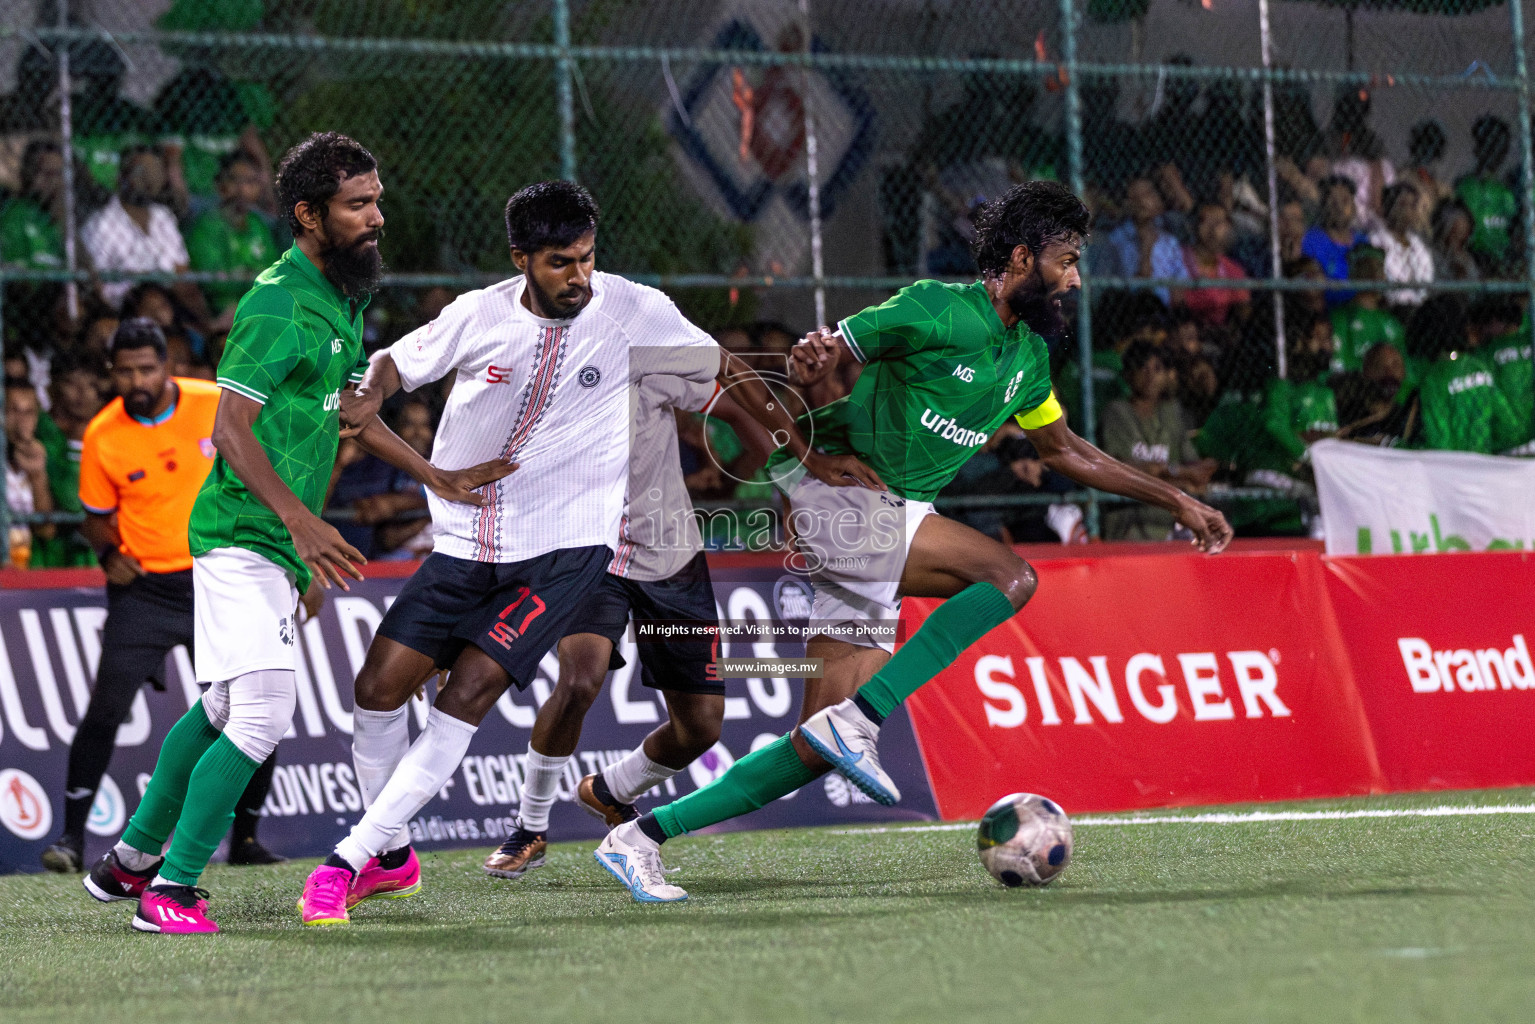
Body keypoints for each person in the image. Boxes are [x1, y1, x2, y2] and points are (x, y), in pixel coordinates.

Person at [591, 181, 1233, 903]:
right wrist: (811, 356)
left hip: (891, 518)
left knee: (811, 748)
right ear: (1021, 257)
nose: (1075, 278)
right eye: (1065, 261)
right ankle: (863, 721)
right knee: (1009, 577)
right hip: (845, 498)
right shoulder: (935, 307)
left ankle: (637, 837)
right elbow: (832, 346)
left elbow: (1063, 451)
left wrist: (1175, 497)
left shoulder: (1025, 356)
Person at [295, 180, 874, 925]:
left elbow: (728, 374)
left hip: (590, 551)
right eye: (562, 263)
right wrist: (371, 390)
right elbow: (392, 364)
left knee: (508, 699)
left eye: (587, 259)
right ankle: (404, 850)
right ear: (522, 260)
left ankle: (356, 858)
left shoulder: (638, 312)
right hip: (474, 544)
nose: (580, 276)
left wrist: (806, 464)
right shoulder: (479, 316)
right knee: (384, 690)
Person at [80, 132, 502, 936]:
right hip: (245, 530)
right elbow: (232, 431)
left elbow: (353, 414)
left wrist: (434, 475)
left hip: (271, 539)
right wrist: (302, 522)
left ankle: (131, 860)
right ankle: (172, 889)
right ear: (309, 215)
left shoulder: (342, 292)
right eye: (358, 204)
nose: (377, 216)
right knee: (264, 715)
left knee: (221, 707)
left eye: (377, 199)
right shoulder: (277, 301)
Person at [482, 361, 774, 880]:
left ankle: (610, 790)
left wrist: (782, 477)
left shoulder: (650, 367)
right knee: (578, 680)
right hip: (592, 557)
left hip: (671, 559)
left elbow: (730, 406)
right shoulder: (543, 379)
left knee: (700, 728)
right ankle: (529, 828)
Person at [38, 320, 283, 873]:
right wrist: (107, 556)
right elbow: (95, 519)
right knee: (104, 711)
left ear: (165, 363)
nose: (136, 379)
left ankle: (245, 839)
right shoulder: (103, 434)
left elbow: (262, 471)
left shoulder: (211, 403)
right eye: (124, 370)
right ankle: (71, 840)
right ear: (111, 373)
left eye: (146, 367)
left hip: (217, 582)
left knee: (252, 706)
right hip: (145, 591)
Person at [1099, 341, 1216, 541]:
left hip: (1167, 523)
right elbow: (1121, 470)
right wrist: (1176, 474)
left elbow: (1196, 469)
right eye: (1142, 368)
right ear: (1128, 375)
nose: (1150, 375)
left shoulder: (1170, 414)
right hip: (1129, 524)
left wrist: (1182, 473)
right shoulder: (1117, 413)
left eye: (1157, 369)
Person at [79, 146, 210, 324]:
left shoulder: (163, 217)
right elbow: (98, 290)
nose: (149, 177)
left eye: (155, 171)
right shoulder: (101, 224)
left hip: (169, 306)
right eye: (141, 171)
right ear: (121, 177)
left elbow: (182, 275)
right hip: (122, 312)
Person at [1413, 296, 1523, 454]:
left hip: (1454, 471)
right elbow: (1509, 429)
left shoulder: (1433, 378)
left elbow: (1438, 440)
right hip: (1484, 462)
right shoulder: (1478, 367)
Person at [186, 151, 279, 326]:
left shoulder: (258, 225)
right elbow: (214, 283)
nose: (243, 189)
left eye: (251, 182)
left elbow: (275, 272)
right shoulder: (207, 226)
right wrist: (253, 275)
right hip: (222, 311)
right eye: (235, 180)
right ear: (220, 184)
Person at [33, 350, 106, 568]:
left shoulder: (109, 431)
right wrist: (77, 444)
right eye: (72, 384)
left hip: (99, 552)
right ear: (52, 387)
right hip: (49, 553)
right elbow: (73, 503)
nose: (82, 394)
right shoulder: (40, 433)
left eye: (90, 385)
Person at [1263, 311, 1340, 470]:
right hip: (1291, 471)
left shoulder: (1326, 388)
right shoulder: (1282, 387)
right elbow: (1274, 424)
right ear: (1300, 342)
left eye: (1327, 339)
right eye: (1317, 338)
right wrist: (1307, 455)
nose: (1325, 346)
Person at [1100, 175, 1188, 306]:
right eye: (1137, 196)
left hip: (1166, 312)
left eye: (1150, 193)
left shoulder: (1169, 240)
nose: (1143, 201)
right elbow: (1134, 286)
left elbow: (1180, 284)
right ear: (1128, 203)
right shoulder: (1117, 240)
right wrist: (1146, 250)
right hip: (1132, 308)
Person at [1455, 116, 1516, 277]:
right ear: (1479, 147)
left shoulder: (1506, 190)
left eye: (1501, 147)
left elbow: (1512, 226)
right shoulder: (1465, 186)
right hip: (1473, 254)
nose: (1496, 153)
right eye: (1490, 145)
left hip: (1501, 258)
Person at [1329, 246, 1406, 374]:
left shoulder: (1392, 323)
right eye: (1367, 267)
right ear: (1354, 274)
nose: (1375, 273)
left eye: (1379, 267)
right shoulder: (1340, 319)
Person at [4, 377, 55, 568]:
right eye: (13, 411)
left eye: (29, 412)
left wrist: (37, 476)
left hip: (25, 571)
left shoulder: (43, 456)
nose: (22, 421)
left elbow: (46, 530)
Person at [1179, 203, 1250, 329]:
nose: (1212, 228)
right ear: (1195, 226)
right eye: (1206, 221)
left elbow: (1243, 309)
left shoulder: (1233, 269)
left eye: (1218, 222)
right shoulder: (1177, 258)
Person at [1368, 181, 1432, 311]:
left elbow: (1427, 280)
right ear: (1389, 207)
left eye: (1413, 206)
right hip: (1392, 307)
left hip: (1419, 307)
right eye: (1403, 204)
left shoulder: (1417, 244)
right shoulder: (1376, 240)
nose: (1408, 211)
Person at [1301, 176, 1365, 306]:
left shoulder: (1362, 241)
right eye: (1333, 202)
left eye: (1345, 201)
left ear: (1354, 207)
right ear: (1323, 206)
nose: (1339, 207)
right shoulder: (1311, 240)